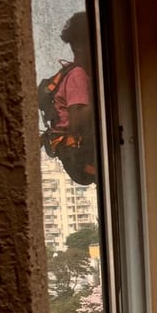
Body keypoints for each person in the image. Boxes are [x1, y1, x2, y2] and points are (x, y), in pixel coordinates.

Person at [39, 12, 96, 184]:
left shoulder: (75, 72)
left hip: (76, 155)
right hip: (81, 156)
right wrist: (103, 100)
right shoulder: (77, 75)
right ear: (79, 45)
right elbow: (77, 120)